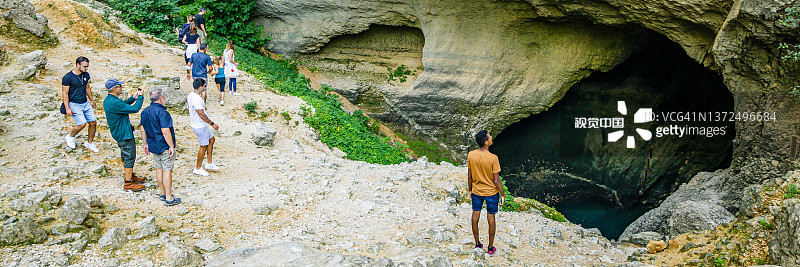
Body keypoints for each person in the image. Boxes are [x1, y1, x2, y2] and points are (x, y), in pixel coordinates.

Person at [102, 78, 145, 191]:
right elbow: (134, 109)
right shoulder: (114, 101)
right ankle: (128, 183)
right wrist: (140, 97)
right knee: (129, 156)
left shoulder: (109, 100)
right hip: (123, 133)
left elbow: (123, 105)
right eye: (119, 86)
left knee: (125, 155)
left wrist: (133, 98)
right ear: (114, 88)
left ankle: (130, 175)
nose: (121, 88)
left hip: (118, 132)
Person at [467, 130, 506, 256]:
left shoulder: (471, 155)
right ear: (486, 142)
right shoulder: (493, 158)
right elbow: (496, 179)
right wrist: (503, 194)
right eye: (489, 136)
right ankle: (490, 247)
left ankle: (477, 243)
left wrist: (470, 190)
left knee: (475, 216)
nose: (491, 137)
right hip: (491, 193)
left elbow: (470, 176)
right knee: (491, 219)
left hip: (477, 191)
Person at [140, 89, 181, 206]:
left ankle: (162, 193)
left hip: (153, 144)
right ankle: (169, 197)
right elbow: (165, 131)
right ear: (161, 98)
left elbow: (143, 129)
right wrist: (171, 146)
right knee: (167, 169)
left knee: (159, 168)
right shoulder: (163, 113)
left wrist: (145, 144)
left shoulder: (145, 112)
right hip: (164, 145)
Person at [62, 56, 99, 153]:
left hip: (85, 102)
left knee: (93, 122)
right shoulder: (68, 77)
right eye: (85, 66)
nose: (86, 68)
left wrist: (91, 100)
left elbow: (87, 87)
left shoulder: (85, 75)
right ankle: (70, 136)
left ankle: (89, 143)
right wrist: (67, 108)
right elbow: (65, 93)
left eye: (87, 66)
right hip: (74, 103)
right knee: (82, 124)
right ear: (78, 65)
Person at [187, 79, 220, 176]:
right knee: (203, 146)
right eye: (204, 86)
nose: (205, 87)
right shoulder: (197, 99)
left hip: (200, 124)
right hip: (199, 125)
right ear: (201, 86)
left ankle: (209, 163)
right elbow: (200, 113)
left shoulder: (191, 95)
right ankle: (197, 168)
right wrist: (212, 123)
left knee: (211, 139)